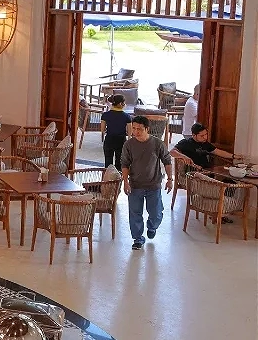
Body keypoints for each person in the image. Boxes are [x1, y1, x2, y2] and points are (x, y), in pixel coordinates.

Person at [121, 115, 173, 250]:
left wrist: (170, 179)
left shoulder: (157, 143)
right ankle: (138, 239)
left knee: (156, 213)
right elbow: (125, 164)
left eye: (139, 129)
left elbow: (167, 161)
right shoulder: (129, 145)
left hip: (153, 184)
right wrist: (125, 182)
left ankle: (152, 226)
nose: (136, 132)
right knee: (135, 213)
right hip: (135, 184)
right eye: (134, 128)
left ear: (147, 129)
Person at [172, 122, 236, 224]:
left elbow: (217, 151)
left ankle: (220, 212)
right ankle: (216, 214)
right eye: (202, 136)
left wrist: (234, 156)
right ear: (194, 135)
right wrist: (184, 157)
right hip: (195, 175)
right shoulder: (186, 143)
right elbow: (172, 152)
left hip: (209, 174)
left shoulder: (205, 144)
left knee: (230, 183)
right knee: (220, 188)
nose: (205, 137)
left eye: (206, 134)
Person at [100, 94, 133, 168]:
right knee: (119, 162)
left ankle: (108, 175)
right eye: (124, 103)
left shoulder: (105, 115)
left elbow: (102, 130)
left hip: (109, 139)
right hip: (121, 140)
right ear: (121, 104)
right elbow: (130, 133)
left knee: (108, 162)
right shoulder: (127, 116)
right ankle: (118, 175)